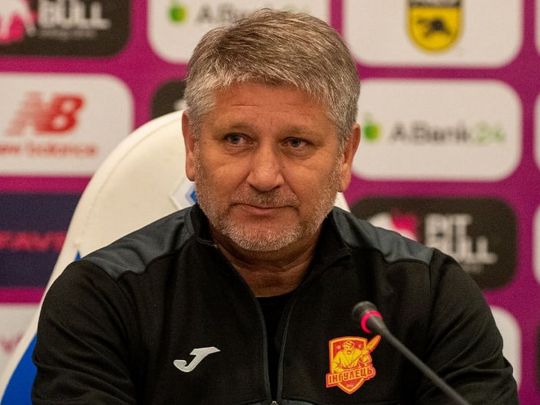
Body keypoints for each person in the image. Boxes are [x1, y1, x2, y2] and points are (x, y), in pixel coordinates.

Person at [32, 9, 518, 405]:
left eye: (296, 143)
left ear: (344, 156)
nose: (264, 176)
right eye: (236, 139)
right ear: (193, 146)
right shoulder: (101, 299)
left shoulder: (427, 294)